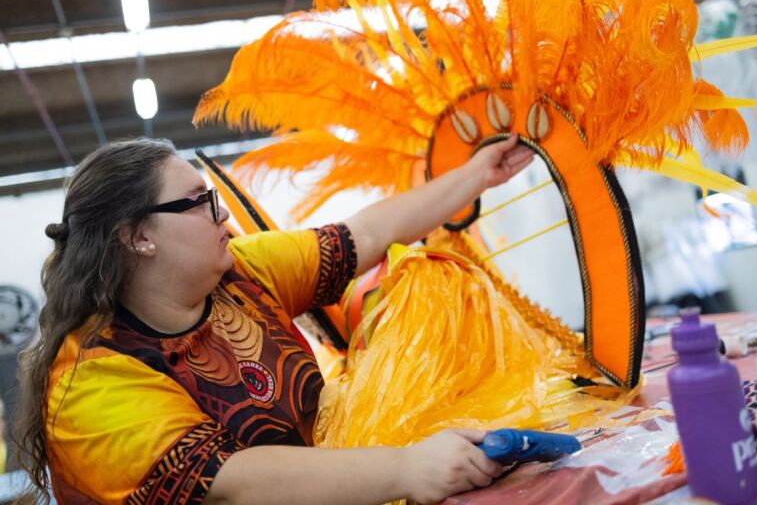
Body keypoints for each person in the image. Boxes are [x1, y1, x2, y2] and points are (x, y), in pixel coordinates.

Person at [16, 134, 534, 504]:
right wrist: (407, 468)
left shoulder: (240, 273)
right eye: (200, 203)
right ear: (137, 237)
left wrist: (476, 174)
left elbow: (365, 236)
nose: (222, 215)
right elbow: (232, 482)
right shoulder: (89, 379)